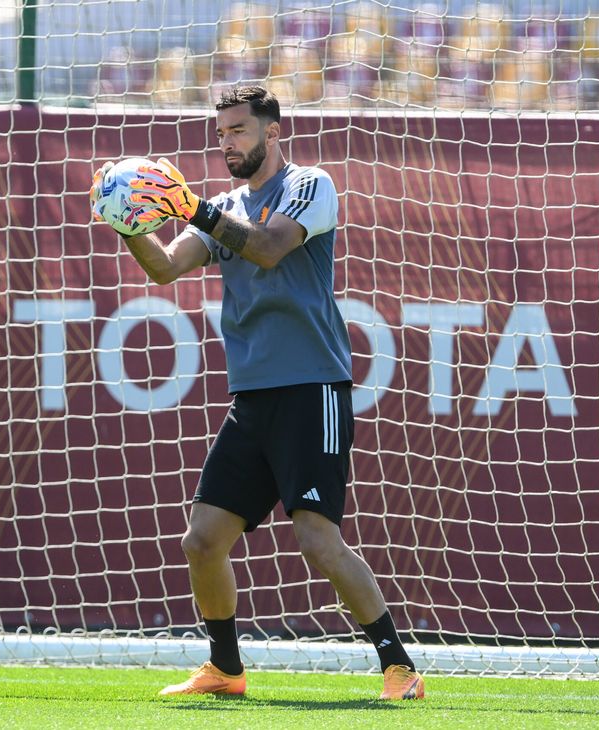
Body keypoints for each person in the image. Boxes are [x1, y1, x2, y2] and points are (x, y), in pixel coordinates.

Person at [90, 85, 424, 701]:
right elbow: (163, 268)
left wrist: (190, 206)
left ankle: (399, 669)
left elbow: (268, 249)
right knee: (202, 540)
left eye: (239, 131)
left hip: (311, 388)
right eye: (221, 133)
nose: (227, 143)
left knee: (316, 538)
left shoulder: (310, 185)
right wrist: (123, 220)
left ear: (272, 130)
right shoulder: (222, 204)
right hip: (252, 398)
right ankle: (224, 670)